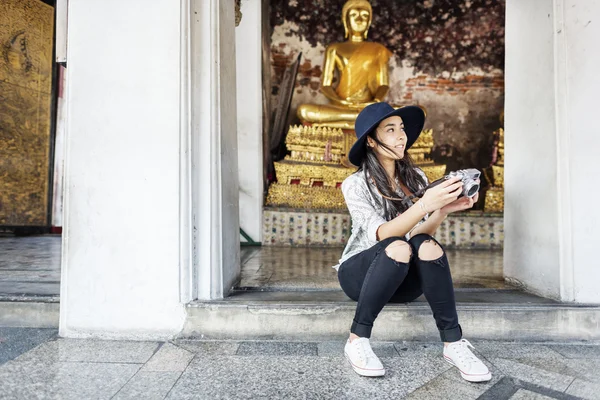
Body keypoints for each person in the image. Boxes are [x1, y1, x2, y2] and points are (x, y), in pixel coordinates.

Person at [335, 102, 492, 382]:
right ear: (371, 141)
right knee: (397, 245)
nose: (401, 136)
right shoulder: (355, 184)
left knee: (427, 246)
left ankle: (454, 344)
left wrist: (442, 209)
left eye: (402, 129)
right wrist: (424, 206)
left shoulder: (415, 177)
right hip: (360, 275)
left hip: (401, 278)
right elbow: (384, 234)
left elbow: (419, 234)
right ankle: (357, 339)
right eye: (391, 129)